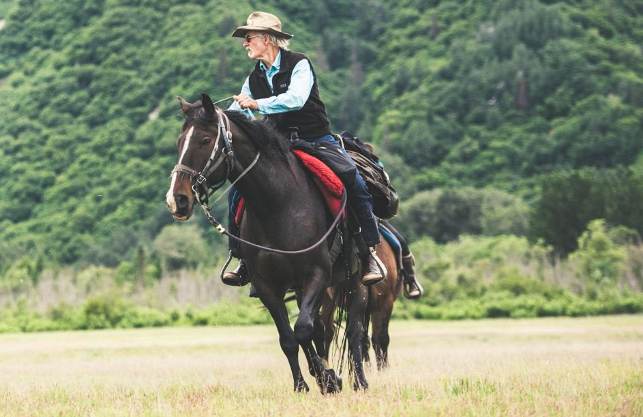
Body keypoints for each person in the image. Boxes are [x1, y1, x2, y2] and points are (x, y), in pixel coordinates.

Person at [222, 11, 386, 287]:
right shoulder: (253, 78)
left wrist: (257, 105)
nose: (244, 43)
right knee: (238, 188)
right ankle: (240, 258)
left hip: (317, 139)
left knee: (352, 179)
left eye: (249, 37)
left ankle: (369, 251)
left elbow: (296, 99)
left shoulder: (300, 64)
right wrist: (217, 122)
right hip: (278, 145)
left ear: (268, 39)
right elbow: (236, 112)